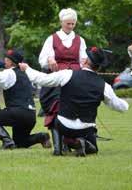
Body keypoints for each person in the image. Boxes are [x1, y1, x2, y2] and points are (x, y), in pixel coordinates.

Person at [20, 47, 129, 156]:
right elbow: (120, 107)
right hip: (86, 129)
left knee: (56, 115)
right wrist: (126, 104)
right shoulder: (104, 86)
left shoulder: (67, 74)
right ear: (98, 67)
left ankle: (64, 145)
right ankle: (80, 143)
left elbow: (42, 79)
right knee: (93, 149)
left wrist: (27, 68)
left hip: (64, 126)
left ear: (86, 61)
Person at [38, 8, 88, 155]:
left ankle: (68, 144)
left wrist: (85, 65)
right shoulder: (51, 39)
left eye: (73, 24)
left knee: (71, 112)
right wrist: (49, 59)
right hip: (56, 80)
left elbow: (83, 60)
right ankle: (57, 148)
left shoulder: (80, 40)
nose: (71, 26)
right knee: (55, 110)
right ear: (61, 22)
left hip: (73, 80)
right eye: (68, 24)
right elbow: (42, 61)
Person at [0, 47, 51, 149]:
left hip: (18, 112)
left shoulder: (10, 72)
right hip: (30, 115)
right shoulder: (25, 73)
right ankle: (42, 137)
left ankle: (7, 140)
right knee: (20, 142)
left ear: (11, 62)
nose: (5, 61)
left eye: (7, 60)